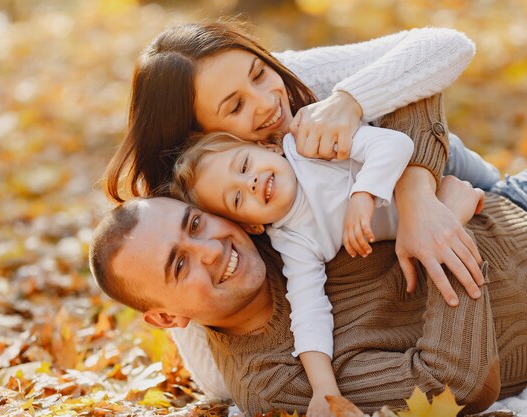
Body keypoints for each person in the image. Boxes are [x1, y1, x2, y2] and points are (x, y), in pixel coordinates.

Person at [90, 98, 527, 416]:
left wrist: (418, 197)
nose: (212, 250)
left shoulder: (260, 203)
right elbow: (454, 382)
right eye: (178, 265)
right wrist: (450, 228)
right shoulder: (275, 379)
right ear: (165, 317)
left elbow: (415, 95)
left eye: (195, 224)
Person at [103, 21, 501, 309]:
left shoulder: (298, 78)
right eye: (236, 106)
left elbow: (450, 44)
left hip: (470, 180)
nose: (266, 101)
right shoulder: (199, 204)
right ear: (197, 136)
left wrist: (349, 102)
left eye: (259, 73)